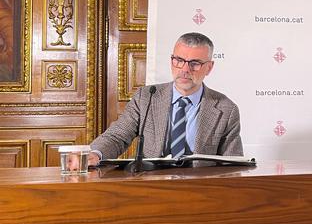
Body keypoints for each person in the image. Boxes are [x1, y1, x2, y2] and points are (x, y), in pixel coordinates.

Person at [87, 32, 243, 166]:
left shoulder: (226, 109)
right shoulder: (146, 97)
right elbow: (117, 136)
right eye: (179, 60)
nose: (184, 69)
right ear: (171, 60)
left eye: (195, 63)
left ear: (209, 67)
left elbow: (233, 163)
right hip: (151, 187)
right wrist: (95, 154)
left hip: (201, 191)